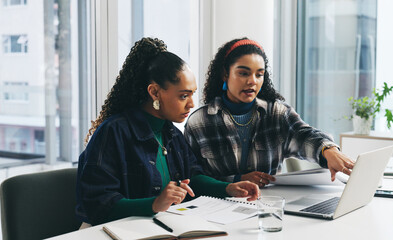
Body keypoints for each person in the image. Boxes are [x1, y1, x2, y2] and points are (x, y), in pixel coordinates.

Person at [76, 37, 259, 227]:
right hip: (110, 232)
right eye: (183, 96)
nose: (191, 104)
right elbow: (98, 205)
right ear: (155, 92)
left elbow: (193, 177)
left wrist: (228, 188)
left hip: (157, 229)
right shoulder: (113, 132)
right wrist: (155, 203)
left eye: (192, 94)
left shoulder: (171, 133)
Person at [184, 37, 355, 187]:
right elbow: (193, 177)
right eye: (243, 73)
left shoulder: (277, 114)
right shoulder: (199, 122)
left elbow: (304, 135)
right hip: (218, 208)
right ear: (224, 74)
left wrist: (328, 150)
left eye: (259, 75)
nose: (252, 81)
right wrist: (235, 180)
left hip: (268, 207)